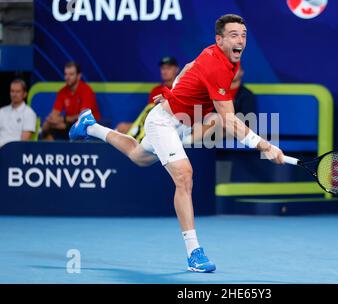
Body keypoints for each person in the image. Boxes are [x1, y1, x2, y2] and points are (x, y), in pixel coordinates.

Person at [68, 14, 285, 273]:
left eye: (244, 35)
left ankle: (90, 126)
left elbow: (188, 68)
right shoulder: (218, 66)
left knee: (138, 155)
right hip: (163, 123)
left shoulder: (220, 57)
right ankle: (194, 252)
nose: (241, 40)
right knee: (184, 175)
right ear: (220, 39)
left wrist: (175, 94)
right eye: (234, 35)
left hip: (179, 122)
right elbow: (229, 120)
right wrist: (266, 146)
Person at [116, 56, 180, 134]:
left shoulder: (181, 89)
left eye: (168, 68)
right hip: (152, 124)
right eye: (163, 68)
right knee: (121, 127)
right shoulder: (156, 90)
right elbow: (149, 112)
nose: (165, 71)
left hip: (172, 125)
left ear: (177, 69)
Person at [41, 61, 100, 140]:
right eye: (66, 74)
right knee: (48, 128)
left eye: (71, 74)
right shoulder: (62, 92)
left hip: (88, 125)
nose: (67, 77)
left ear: (79, 76)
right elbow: (54, 113)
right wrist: (51, 121)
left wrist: (63, 120)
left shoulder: (86, 90)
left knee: (70, 126)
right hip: (69, 124)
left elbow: (83, 117)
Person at [0, 79, 37, 148]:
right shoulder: (2, 111)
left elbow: (23, 142)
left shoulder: (29, 113)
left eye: (18, 91)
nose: (14, 94)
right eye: (12, 91)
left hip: (14, 152)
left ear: (25, 94)